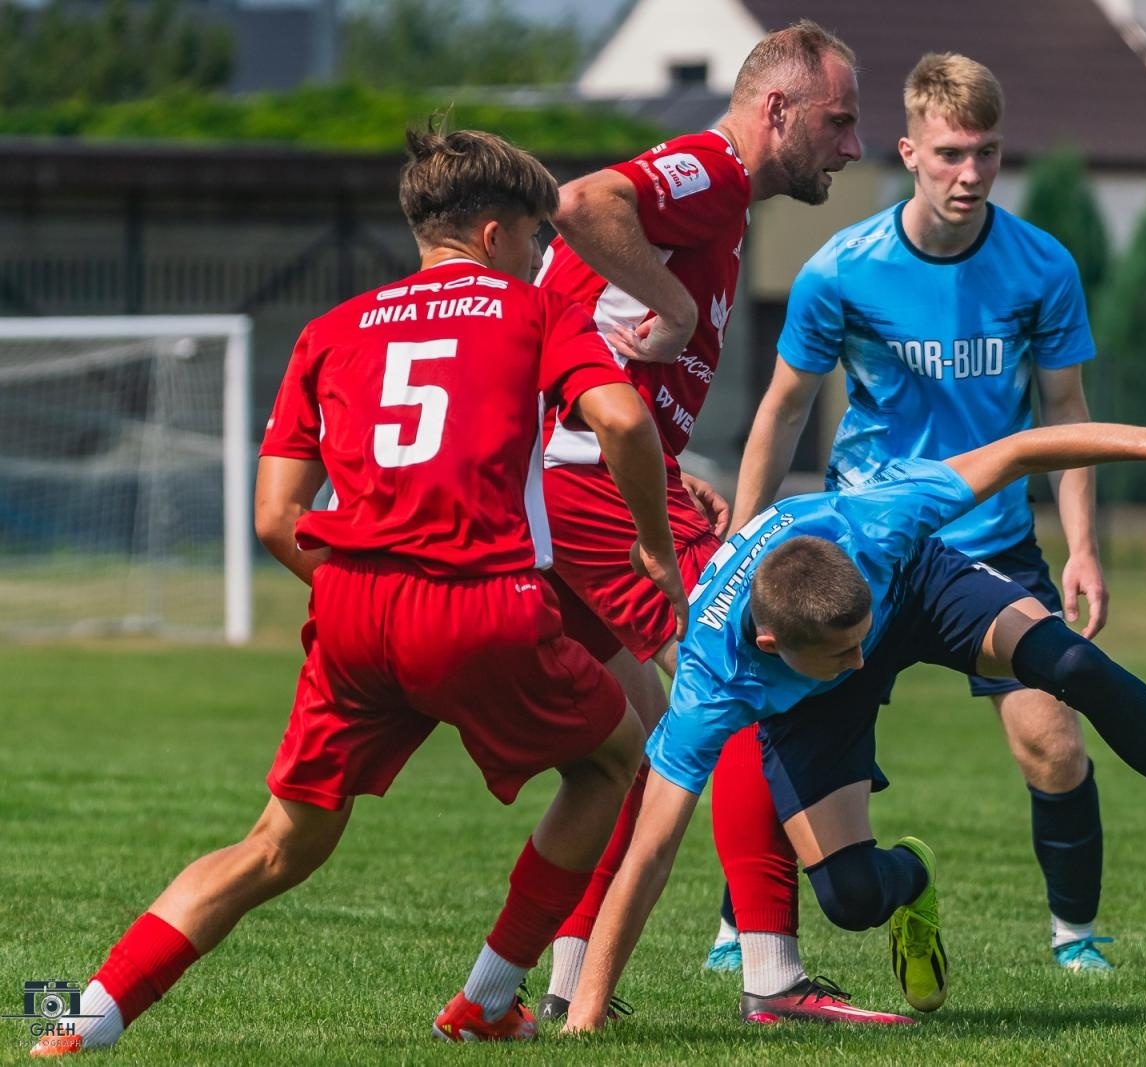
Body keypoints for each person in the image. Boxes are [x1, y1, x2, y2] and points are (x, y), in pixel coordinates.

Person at [29, 125, 686, 1057]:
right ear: (496, 235)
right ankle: (487, 997)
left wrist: (366, 593)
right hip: (478, 604)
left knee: (275, 845)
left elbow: (274, 517)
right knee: (615, 758)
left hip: (349, 606)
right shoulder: (532, 311)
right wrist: (656, 551)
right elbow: (621, 419)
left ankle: (75, 1021)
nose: (548, 257)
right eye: (542, 237)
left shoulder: (331, 328)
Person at [563, 402, 1146, 1031]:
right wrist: (586, 1020)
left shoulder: (878, 521)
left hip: (916, 589)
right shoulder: (711, 678)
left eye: (857, 647)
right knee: (852, 899)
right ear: (770, 645)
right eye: (841, 656)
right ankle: (915, 878)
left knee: (1070, 663)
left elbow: (1022, 448)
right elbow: (650, 853)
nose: (863, 668)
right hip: (814, 679)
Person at [529, 19, 908, 1026]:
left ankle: (558, 986)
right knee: (749, 669)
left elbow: (594, 335)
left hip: (582, 483)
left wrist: (666, 466)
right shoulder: (709, 165)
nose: (853, 146)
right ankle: (773, 978)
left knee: (633, 749)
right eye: (838, 120)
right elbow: (579, 204)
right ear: (774, 108)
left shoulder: (724, 199)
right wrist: (676, 308)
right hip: (581, 489)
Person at [730, 53, 1118, 972]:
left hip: (991, 546)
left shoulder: (1040, 265)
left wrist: (1084, 548)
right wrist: (744, 543)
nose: (971, 174)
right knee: (796, 736)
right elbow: (783, 408)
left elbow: (1066, 413)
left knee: (1052, 743)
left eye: (986, 153)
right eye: (950, 153)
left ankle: (1075, 938)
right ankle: (740, 926)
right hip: (867, 546)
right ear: (909, 150)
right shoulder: (842, 271)